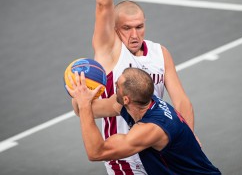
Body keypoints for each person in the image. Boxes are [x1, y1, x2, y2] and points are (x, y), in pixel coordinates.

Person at [72, 0, 195, 174]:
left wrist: (189, 140)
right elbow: (103, 5)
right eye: (127, 28)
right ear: (115, 30)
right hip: (124, 159)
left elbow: (181, 100)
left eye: (139, 26)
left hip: (159, 151)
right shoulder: (110, 52)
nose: (135, 34)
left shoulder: (160, 53)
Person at [67, 68, 221, 175]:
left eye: (117, 86)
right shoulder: (143, 100)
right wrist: (80, 95)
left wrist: (85, 103)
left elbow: (97, 152)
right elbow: (84, 111)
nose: (114, 86)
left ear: (126, 99)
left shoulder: (151, 129)